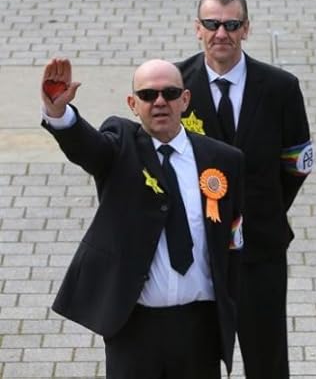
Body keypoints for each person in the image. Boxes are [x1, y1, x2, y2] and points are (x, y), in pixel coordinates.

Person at [40, 58, 244, 379]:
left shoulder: (223, 160)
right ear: (133, 104)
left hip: (199, 329)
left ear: (185, 100)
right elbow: (88, 147)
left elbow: (233, 240)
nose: (159, 102)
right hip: (134, 327)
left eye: (170, 93)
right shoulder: (120, 144)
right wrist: (59, 113)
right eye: (148, 95)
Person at [175, 0, 313, 379]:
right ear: (197, 28)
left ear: (246, 29)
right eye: (212, 24)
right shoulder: (174, 85)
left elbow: (296, 165)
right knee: (195, 359)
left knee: (267, 358)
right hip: (195, 249)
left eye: (232, 25)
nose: (222, 33)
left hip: (261, 248)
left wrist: (262, 207)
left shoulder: (281, 87)